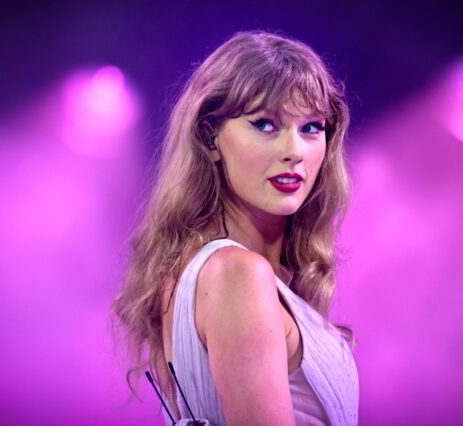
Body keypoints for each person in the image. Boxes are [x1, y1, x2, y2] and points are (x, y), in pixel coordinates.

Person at [114, 30, 358, 425]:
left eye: (311, 127)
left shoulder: (197, 272)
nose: (294, 151)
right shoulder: (237, 274)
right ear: (209, 138)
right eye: (265, 124)